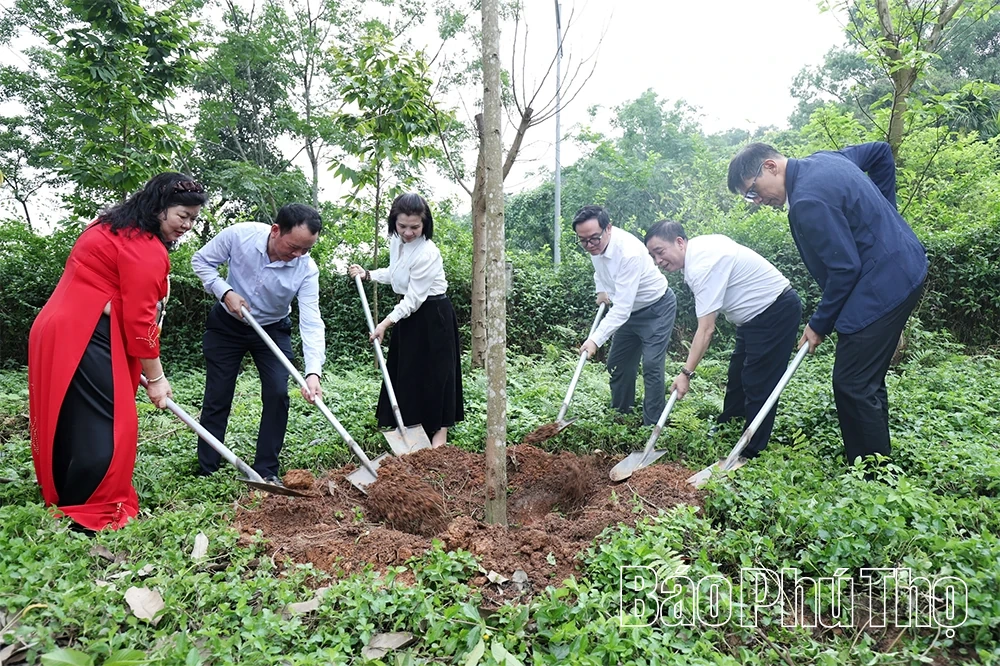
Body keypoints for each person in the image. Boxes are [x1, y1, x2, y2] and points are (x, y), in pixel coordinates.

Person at [727, 142, 927, 465]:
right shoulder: (823, 161)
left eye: (753, 191)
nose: (758, 201)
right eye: (750, 198)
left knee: (853, 383)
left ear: (771, 167)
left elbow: (845, 270)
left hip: (885, 285)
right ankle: (879, 464)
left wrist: (818, 324)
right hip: (903, 266)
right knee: (864, 380)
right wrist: (886, 214)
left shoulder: (807, 200)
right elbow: (879, 152)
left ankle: (872, 479)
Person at [28, 172, 206, 532]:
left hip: (57, 327)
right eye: (182, 216)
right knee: (108, 423)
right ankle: (91, 510)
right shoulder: (145, 250)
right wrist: (156, 379)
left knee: (73, 418)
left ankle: (68, 494)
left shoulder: (110, 226)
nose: (187, 225)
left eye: (193, 219)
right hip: (85, 333)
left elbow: (106, 287)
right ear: (159, 208)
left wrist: (112, 303)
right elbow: (140, 326)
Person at [191, 204, 325, 483]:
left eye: (306, 249)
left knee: (278, 393)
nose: (298, 255)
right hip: (227, 325)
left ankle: (266, 471)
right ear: (276, 230)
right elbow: (201, 261)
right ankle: (208, 469)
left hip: (273, 329)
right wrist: (224, 291)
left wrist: (313, 372)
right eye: (294, 246)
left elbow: (311, 321)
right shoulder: (240, 235)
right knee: (219, 393)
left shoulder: (306, 269)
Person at [645, 221, 802, 459]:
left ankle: (750, 451)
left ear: (679, 242)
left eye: (659, 252)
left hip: (774, 311)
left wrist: (685, 374)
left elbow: (706, 330)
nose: (658, 261)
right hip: (752, 319)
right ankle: (728, 428)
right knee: (737, 376)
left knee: (758, 381)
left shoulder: (702, 265)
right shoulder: (698, 252)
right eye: (653, 256)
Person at [347, 193, 463, 447]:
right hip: (409, 316)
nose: (408, 232)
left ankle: (440, 431)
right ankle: (412, 427)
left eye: (415, 227)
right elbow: (396, 274)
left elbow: (414, 298)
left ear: (425, 225)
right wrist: (368, 274)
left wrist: (385, 324)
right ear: (394, 223)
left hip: (433, 315)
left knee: (438, 374)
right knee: (409, 372)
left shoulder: (428, 252)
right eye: (402, 226)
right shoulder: (396, 242)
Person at [573, 205, 677, 425]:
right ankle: (621, 416)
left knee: (651, 365)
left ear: (608, 228)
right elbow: (600, 269)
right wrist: (601, 289)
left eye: (594, 239)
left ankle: (653, 425)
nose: (589, 245)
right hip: (628, 311)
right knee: (618, 364)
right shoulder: (595, 246)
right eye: (583, 241)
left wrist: (594, 340)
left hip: (656, 308)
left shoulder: (628, 252)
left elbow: (621, 309)